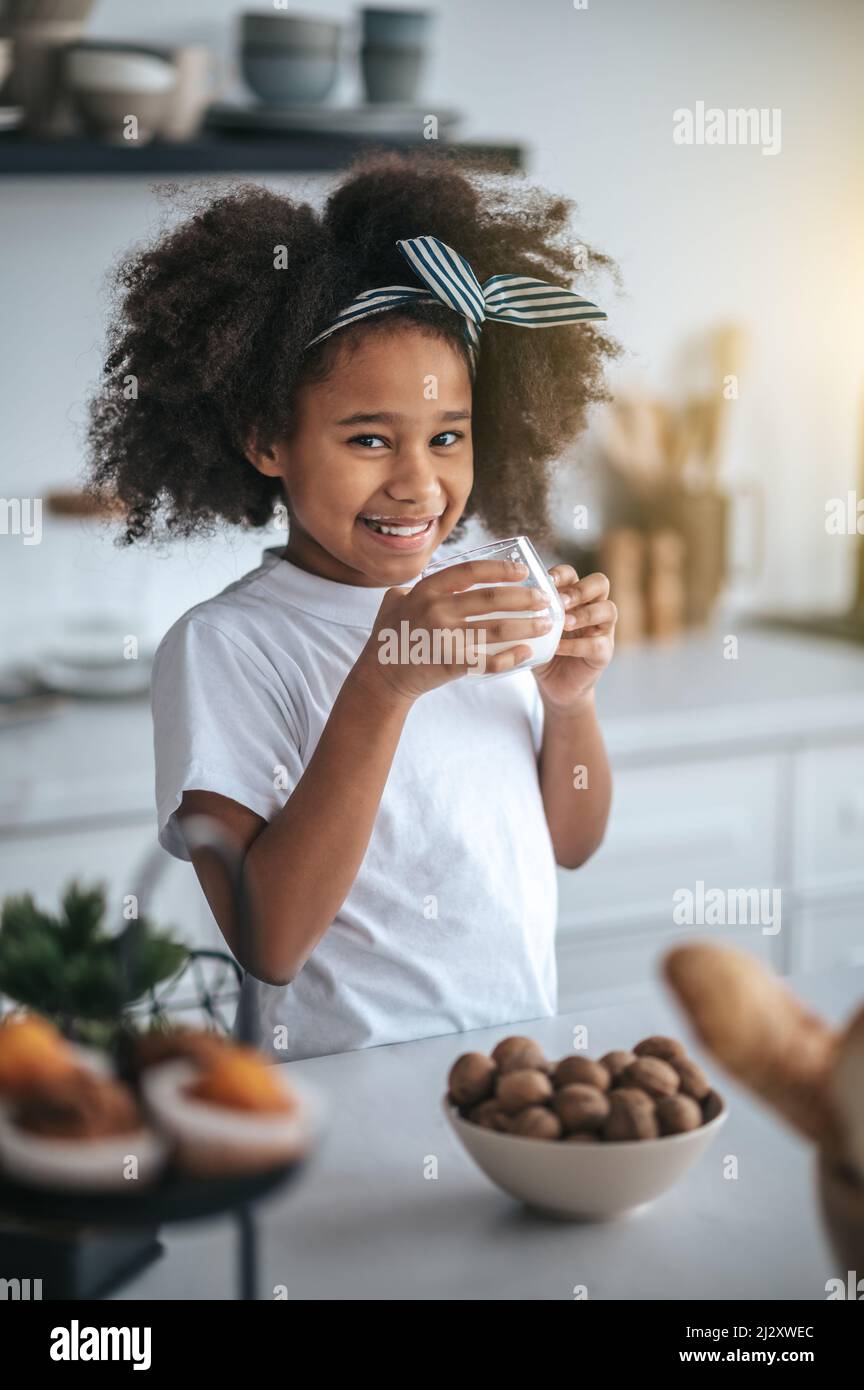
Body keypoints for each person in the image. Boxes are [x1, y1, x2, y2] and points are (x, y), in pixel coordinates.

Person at [88, 150, 619, 1061]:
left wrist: (570, 703)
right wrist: (380, 687)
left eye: (447, 436)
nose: (418, 483)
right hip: (345, 1106)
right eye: (369, 438)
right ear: (267, 439)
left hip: (511, 1072)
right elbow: (268, 941)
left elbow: (572, 842)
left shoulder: (482, 600)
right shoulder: (226, 648)